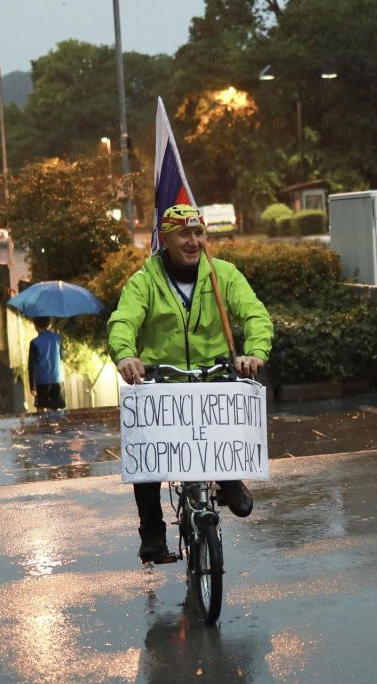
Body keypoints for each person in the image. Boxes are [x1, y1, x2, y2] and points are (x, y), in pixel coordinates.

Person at [107, 203, 273, 563]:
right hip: (163, 382)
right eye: (185, 233)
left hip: (213, 376)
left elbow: (255, 313)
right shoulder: (144, 281)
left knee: (227, 418)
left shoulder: (223, 275)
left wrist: (254, 352)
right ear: (165, 239)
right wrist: (125, 355)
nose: (194, 241)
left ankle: (228, 478)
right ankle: (151, 531)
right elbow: (123, 321)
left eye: (199, 233)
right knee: (146, 447)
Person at [28, 317, 66, 410]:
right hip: (57, 379)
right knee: (57, 410)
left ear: (36, 326)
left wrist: (32, 386)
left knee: (41, 409)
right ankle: (57, 423)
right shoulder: (58, 338)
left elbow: (32, 366)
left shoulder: (34, 343)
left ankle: (43, 425)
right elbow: (62, 356)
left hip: (41, 381)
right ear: (50, 324)